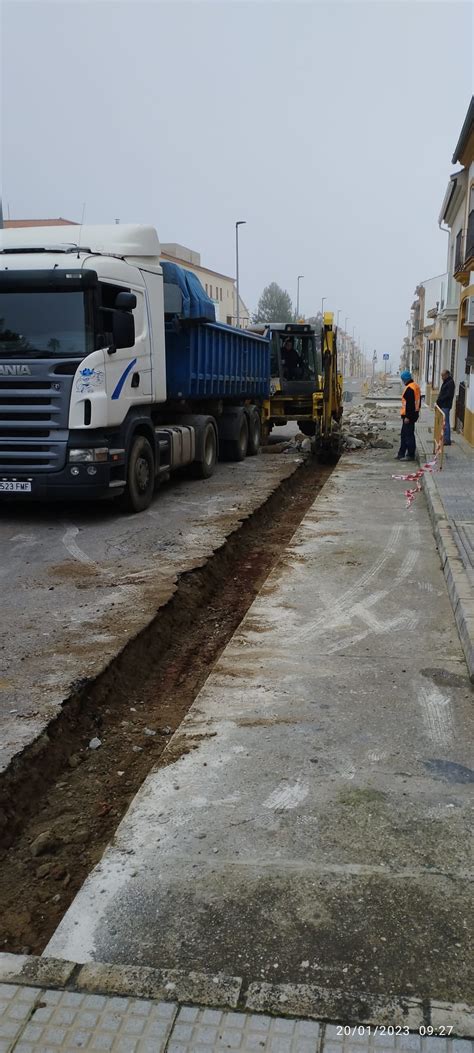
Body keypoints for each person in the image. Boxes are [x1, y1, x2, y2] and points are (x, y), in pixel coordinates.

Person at [395, 369, 421, 461]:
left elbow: (410, 404)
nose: (402, 381)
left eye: (402, 379)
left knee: (408, 436)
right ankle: (401, 453)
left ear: (405, 379)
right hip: (413, 415)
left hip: (409, 416)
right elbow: (417, 402)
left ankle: (410, 454)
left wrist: (407, 417)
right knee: (405, 434)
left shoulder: (410, 388)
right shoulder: (415, 386)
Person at [436, 369, 455, 445]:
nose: (441, 377)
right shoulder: (446, 382)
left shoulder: (450, 383)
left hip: (446, 405)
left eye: (443, 375)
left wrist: (440, 400)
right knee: (444, 422)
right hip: (443, 405)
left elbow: (448, 395)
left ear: (447, 375)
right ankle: (444, 438)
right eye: (441, 375)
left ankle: (447, 440)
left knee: (446, 422)